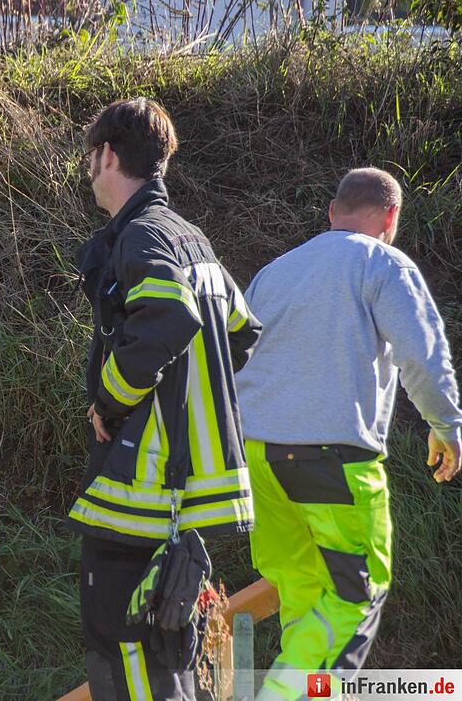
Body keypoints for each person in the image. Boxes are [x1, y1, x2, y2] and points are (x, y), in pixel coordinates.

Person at [235, 167, 462, 699]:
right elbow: (421, 357)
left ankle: (293, 688)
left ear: (333, 213)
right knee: (357, 595)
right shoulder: (382, 263)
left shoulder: (275, 272)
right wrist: (447, 426)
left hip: (256, 460)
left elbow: (234, 357)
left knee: (303, 592)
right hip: (331, 464)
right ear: (392, 217)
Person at [69, 98, 261, 700]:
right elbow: (242, 331)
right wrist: (190, 397)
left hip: (145, 483)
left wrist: (111, 402)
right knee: (169, 645)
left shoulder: (142, 236)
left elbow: (168, 318)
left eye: (91, 158)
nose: (89, 171)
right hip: (188, 490)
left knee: (121, 640)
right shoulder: (191, 239)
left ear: (107, 155)